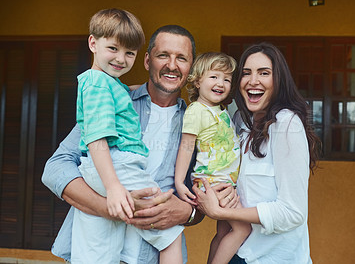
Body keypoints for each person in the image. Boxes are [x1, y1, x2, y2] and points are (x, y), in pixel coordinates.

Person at [42, 24, 237, 263]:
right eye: (163, 55)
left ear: (191, 68)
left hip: (151, 256)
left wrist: (188, 212)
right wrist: (109, 207)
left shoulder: (200, 126)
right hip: (98, 248)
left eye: (182, 58)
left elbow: (199, 196)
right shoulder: (116, 103)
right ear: (147, 61)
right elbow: (55, 169)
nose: (172, 65)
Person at [71, 9, 183, 264]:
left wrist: (128, 90)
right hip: (118, 165)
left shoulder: (105, 84)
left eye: (129, 53)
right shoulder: (99, 85)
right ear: (93, 43)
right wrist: (113, 187)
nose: (121, 59)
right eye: (113, 48)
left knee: (98, 249)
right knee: (168, 230)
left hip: (99, 168)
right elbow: (97, 140)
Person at [193, 42, 320, 264]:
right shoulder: (240, 121)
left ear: (278, 80)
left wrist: (223, 213)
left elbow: (293, 213)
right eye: (246, 73)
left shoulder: (287, 124)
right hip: (238, 253)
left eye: (264, 73)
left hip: (273, 258)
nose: (253, 81)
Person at [174, 52, 251, 264]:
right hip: (213, 181)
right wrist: (180, 181)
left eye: (226, 79)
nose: (221, 83)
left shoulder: (220, 110)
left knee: (225, 231)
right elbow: (187, 146)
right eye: (214, 77)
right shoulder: (197, 110)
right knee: (243, 228)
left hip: (225, 181)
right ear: (197, 81)